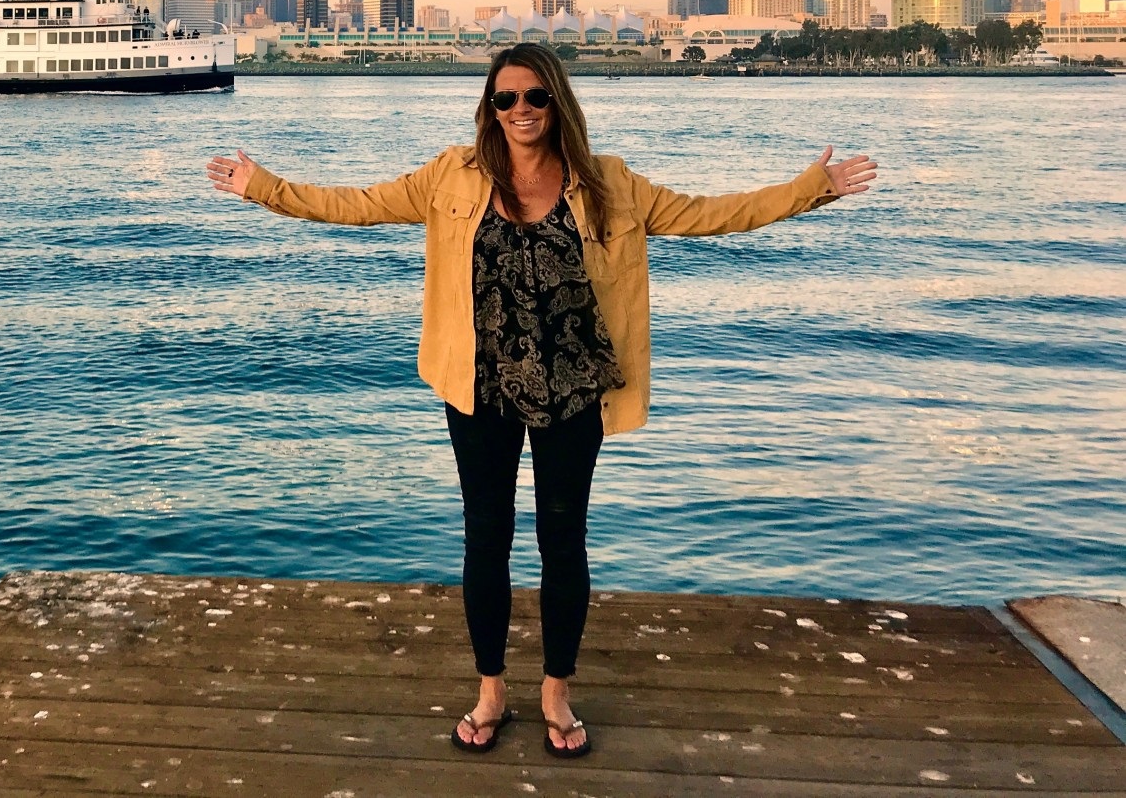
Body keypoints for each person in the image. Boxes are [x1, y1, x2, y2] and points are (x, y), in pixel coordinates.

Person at [206, 43, 876, 759]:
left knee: (563, 542)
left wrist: (814, 187)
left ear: (557, 102)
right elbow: (355, 205)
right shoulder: (449, 177)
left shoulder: (606, 183)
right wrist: (262, 186)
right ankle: (490, 688)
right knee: (484, 538)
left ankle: (556, 689)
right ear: (488, 109)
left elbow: (713, 214)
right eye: (505, 98)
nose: (519, 109)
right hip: (478, 385)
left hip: (574, 389)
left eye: (533, 96)